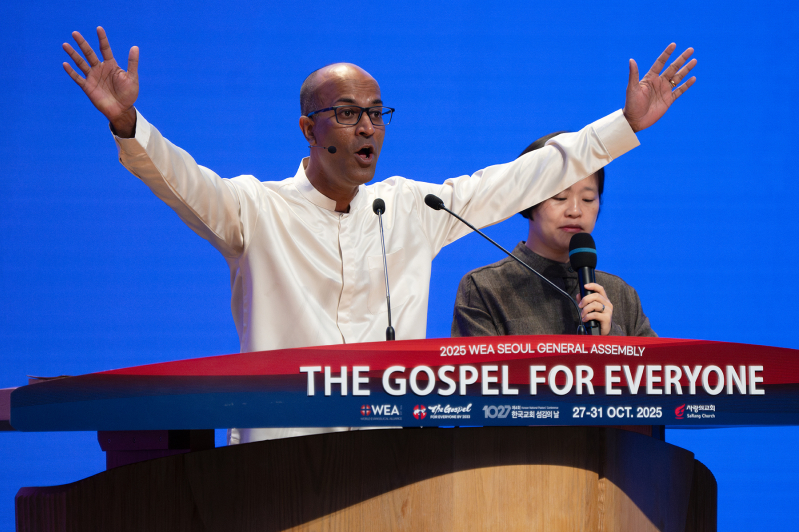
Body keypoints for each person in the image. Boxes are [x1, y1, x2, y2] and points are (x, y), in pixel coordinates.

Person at [62, 28, 692, 442]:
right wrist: (128, 123)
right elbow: (183, 181)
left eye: (375, 112)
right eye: (348, 114)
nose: (368, 127)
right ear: (309, 129)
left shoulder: (413, 207)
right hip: (277, 461)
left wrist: (621, 126)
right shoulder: (254, 210)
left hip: (392, 465)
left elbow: (518, 179)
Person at [451, 132, 657, 338]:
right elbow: (482, 370)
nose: (575, 211)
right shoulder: (484, 288)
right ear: (527, 201)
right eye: (560, 197)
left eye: (587, 199)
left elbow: (661, 368)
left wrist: (611, 337)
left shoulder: (621, 295)